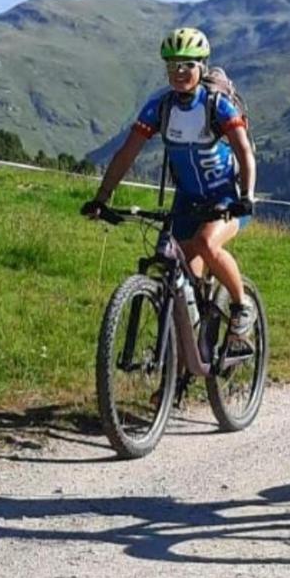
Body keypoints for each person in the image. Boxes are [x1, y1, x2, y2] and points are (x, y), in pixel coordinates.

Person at [82, 26, 257, 344]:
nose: (179, 72)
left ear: (202, 66)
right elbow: (126, 153)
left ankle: (242, 307)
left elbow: (244, 151)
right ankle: (177, 375)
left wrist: (246, 196)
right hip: (187, 201)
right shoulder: (160, 108)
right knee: (179, 281)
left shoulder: (217, 106)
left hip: (226, 198)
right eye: (172, 65)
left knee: (205, 244)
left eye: (187, 64)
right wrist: (102, 197)